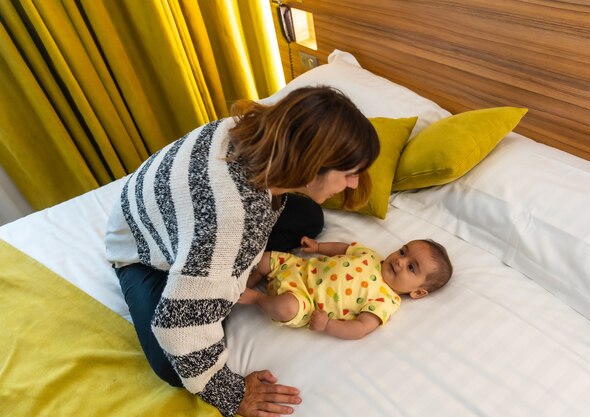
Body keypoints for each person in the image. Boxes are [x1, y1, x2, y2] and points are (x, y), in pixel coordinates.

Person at [104, 86, 380, 417]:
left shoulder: (250, 128)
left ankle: (215, 276)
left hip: (159, 207)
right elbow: (176, 327)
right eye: (348, 174)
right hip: (140, 247)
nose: (352, 184)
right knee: (173, 365)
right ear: (310, 164)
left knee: (309, 219)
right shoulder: (234, 224)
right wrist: (235, 395)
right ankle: (195, 281)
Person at [240, 236, 453, 340]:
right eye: (403, 252)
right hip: (298, 267)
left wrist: (328, 325)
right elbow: (344, 248)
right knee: (264, 260)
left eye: (411, 267)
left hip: (303, 301)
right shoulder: (370, 255)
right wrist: (318, 248)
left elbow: (361, 328)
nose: (399, 261)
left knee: (285, 308)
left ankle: (255, 298)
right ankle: (240, 285)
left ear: (417, 292)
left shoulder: (386, 300)